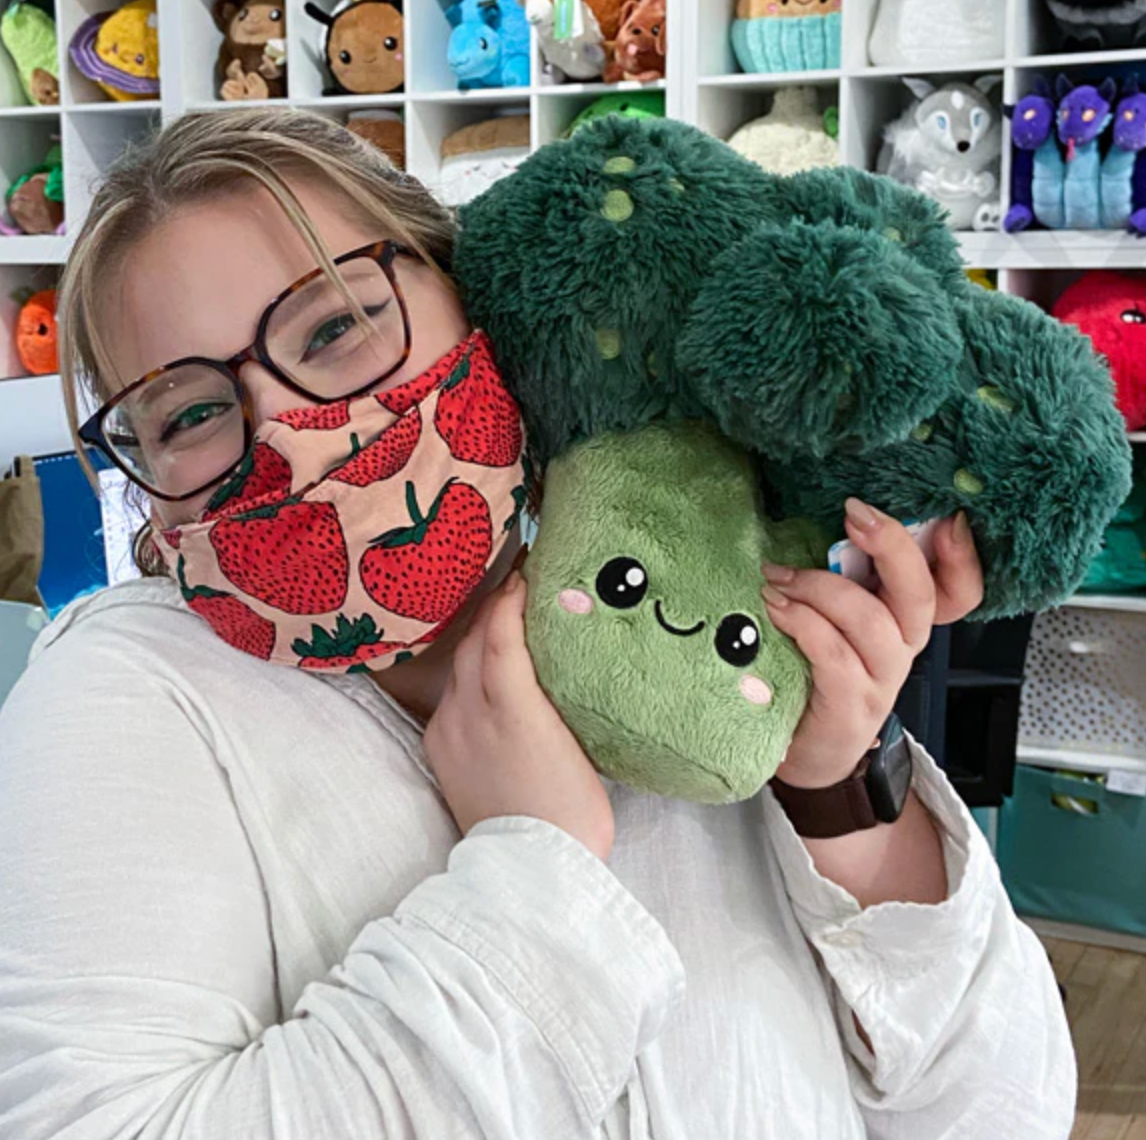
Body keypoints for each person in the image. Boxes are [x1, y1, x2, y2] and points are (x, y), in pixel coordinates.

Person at [0, 108, 1075, 1139]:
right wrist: (536, 869)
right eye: (188, 413)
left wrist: (842, 796)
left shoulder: (693, 577)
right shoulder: (126, 696)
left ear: (475, 297)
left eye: (337, 326)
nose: (290, 432)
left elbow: (1006, 1114)